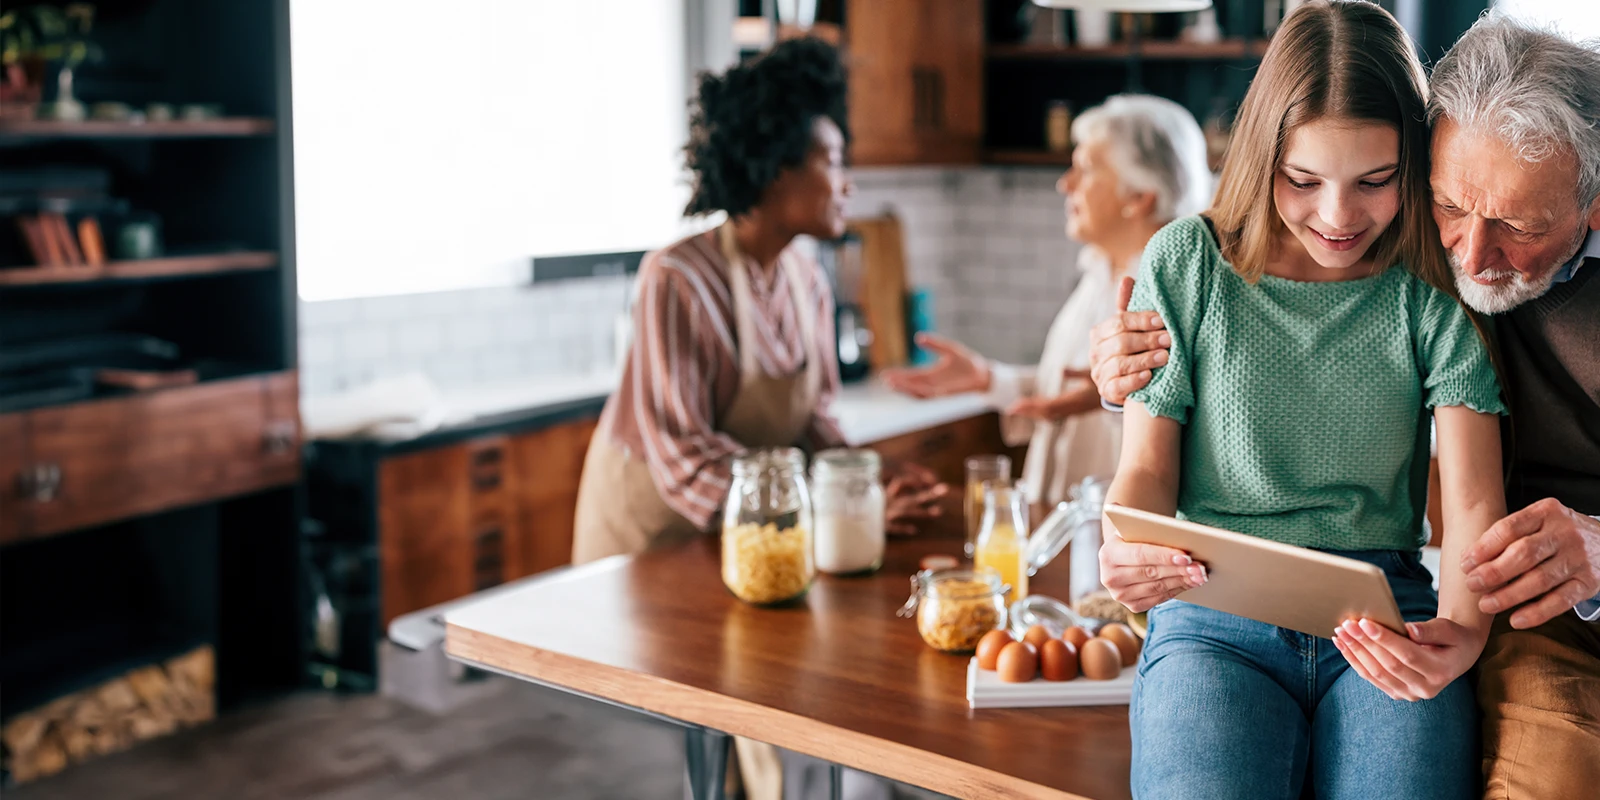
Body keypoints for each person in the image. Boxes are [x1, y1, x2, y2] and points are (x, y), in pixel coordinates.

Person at [1090, 13, 1600, 797]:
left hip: (1387, 610)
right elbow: (1146, 474)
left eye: (1375, 181)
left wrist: (1461, 635)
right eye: (1303, 181)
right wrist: (1125, 540)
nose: (1338, 216)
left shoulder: (1428, 288)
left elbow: (1470, 500)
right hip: (1212, 614)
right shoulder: (1188, 263)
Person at [569, 38, 943, 800]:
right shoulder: (676, 278)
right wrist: (834, 504)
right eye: (832, 160)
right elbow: (687, 459)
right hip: (658, 544)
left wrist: (865, 478)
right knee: (711, 717)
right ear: (777, 168)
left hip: (749, 534)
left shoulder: (805, 275)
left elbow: (814, 420)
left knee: (762, 704)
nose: (848, 182)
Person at [880, 95, 1210, 536]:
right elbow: (1071, 387)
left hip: (1117, 539)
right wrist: (986, 379)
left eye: (1086, 168)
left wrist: (1115, 396)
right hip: (1061, 527)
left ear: (1139, 196)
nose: (1066, 184)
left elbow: (1184, 429)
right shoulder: (1098, 272)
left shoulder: (1176, 295)